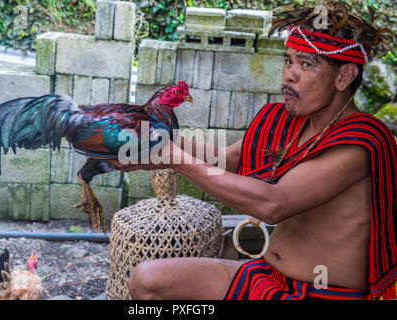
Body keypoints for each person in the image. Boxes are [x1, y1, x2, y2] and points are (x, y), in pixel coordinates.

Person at [111, 0, 397, 300]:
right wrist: (158, 139)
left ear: (344, 77)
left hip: (326, 293)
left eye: (306, 64)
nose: (289, 75)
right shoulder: (289, 122)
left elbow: (272, 204)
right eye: (288, 61)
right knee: (147, 281)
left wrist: (173, 159)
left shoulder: (363, 141)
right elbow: (232, 158)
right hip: (268, 277)